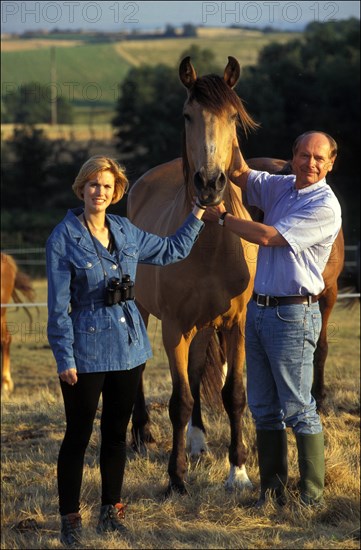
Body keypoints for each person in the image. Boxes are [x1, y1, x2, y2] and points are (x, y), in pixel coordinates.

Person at [46, 155, 207, 547]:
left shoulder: (126, 230)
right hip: (85, 351)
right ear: (81, 189)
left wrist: (198, 213)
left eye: (107, 186)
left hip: (130, 348)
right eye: (93, 185)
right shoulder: (63, 238)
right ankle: (70, 519)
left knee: (116, 434)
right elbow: (57, 309)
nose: (100, 192)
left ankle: (111, 512)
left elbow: (171, 251)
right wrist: (64, 358)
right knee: (78, 436)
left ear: (116, 193)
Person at [203, 131, 342, 507]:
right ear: (292, 156)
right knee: (263, 408)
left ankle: (311, 497)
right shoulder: (281, 187)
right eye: (303, 155)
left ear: (330, 163)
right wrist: (225, 131)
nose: (310, 163)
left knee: (298, 408)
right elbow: (242, 173)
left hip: (294, 313)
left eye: (318, 158)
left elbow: (267, 236)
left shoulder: (325, 206)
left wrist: (223, 219)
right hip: (260, 310)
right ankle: (272, 490)